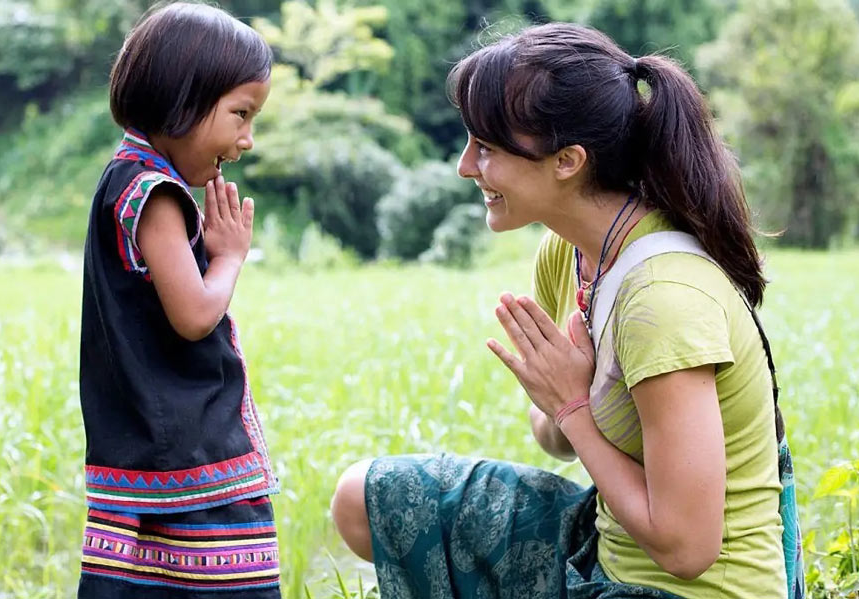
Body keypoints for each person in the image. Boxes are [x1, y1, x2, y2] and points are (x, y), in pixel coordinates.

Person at [331, 23, 802, 599]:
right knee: (365, 498)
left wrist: (572, 404)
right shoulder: (571, 252)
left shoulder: (663, 301)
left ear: (568, 161)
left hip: (683, 590)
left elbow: (687, 547)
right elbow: (555, 439)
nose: (464, 166)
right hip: (604, 548)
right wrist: (560, 403)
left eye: (487, 148)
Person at [77, 3, 280, 597]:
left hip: (143, 456)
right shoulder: (156, 192)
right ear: (182, 98)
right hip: (189, 469)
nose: (246, 140)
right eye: (240, 114)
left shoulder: (123, 176)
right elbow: (194, 316)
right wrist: (229, 257)